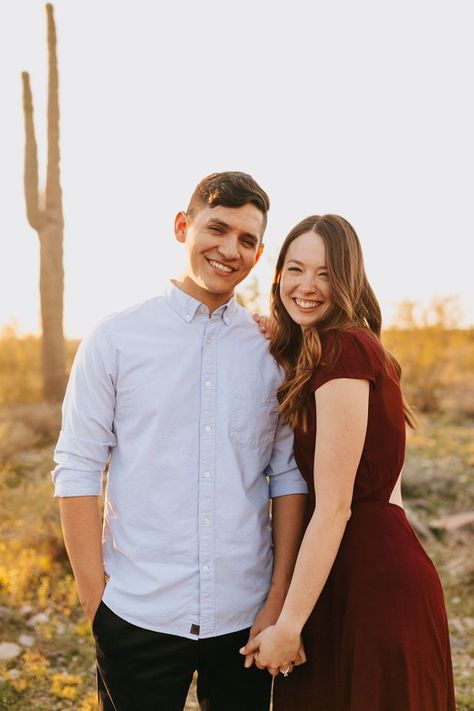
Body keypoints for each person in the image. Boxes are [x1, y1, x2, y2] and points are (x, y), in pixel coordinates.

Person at [52, 172, 308, 711]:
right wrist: (95, 601)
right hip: (137, 612)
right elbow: (77, 468)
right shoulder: (116, 339)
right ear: (181, 226)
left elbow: (287, 478)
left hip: (245, 616)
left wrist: (277, 603)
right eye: (217, 228)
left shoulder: (272, 354)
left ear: (258, 256)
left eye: (247, 240)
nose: (229, 249)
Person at [241, 214, 456, 710]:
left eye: (325, 274)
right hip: (355, 569)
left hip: (367, 580)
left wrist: (288, 625)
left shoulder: (344, 352)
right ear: (277, 275)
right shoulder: (341, 349)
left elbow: (336, 506)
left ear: (349, 279)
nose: (307, 286)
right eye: (295, 270)